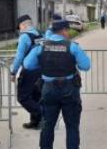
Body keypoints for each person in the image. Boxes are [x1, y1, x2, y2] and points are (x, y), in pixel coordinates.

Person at [23, 20, 91, 149]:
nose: (69, 33)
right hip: (69, 89)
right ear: (64, 31)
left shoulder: (41, 46)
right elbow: (86, 66)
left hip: (48, 90)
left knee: (47, 125)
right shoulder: (72, 46)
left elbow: (27, 65)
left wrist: (42, 64)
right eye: (68, 30)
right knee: (72, 126)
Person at [10, 15, 43, 129]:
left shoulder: (24, 37)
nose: (19, 30)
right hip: (41, 71)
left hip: (29, 72)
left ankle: (43, 114)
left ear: (23, 25)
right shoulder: (40, 34)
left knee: (23, 98)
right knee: (35, 96)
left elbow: (19, 57)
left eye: (19, 28)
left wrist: (13, 72)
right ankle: (35, 122)